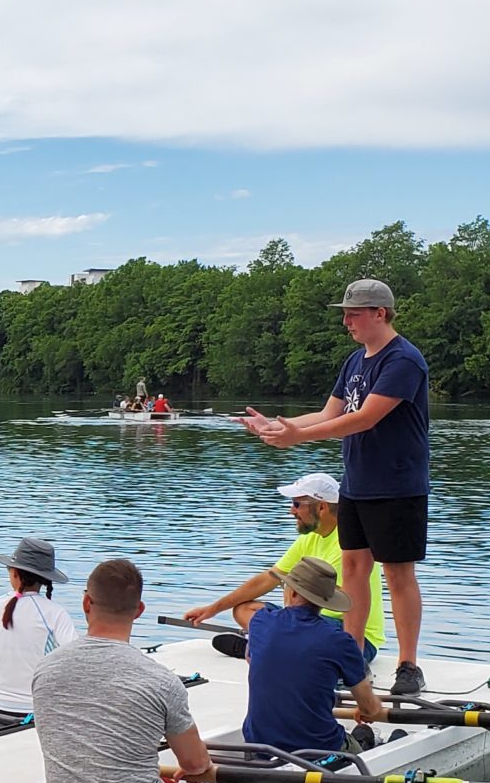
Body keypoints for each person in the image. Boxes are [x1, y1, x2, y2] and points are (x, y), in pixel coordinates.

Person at [242, 278, 432, 696]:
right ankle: (350, 651)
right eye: (345, 314)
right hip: (357, 483)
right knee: (353, 571)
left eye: (354, 313)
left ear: (380, 313)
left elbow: (364, 418)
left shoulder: (404, 360)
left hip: (398, 485)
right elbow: (330, 411)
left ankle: (408, 665)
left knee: (398, 574)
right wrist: (278, 426)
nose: (347, 321)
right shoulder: (354, 362)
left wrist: (300, 438)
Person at [30, 560, 217, 783]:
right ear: (139, 610)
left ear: (85, 603)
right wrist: (204, 768)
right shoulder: (161, 680)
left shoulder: (44, 669)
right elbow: (194, 764)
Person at [180, 472, 385, 662]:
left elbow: (340, 602)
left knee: (292, 601)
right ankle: (274, 645)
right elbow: (268, 578)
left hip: (353, 635)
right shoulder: (311, 537)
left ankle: (265, 646)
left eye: (297, 504)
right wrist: (212, 609)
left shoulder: (349, 544)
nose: (291, 511)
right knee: (243, 609)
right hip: (310, 624)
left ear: (322, 507)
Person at [244, 557, 388, 756]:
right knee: (374, 734)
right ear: (324, 602)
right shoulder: (340, 641)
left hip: (258, 744)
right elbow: (370, 708)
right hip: (318, 748)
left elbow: (255, 661)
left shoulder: (259, 621)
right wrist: (368, 708)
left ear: (292, 592)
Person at [0, 537, 78, 716]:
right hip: (37, 710)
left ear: (15, 573)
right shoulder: (56, 613)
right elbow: (72, 663)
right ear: (45, 580)